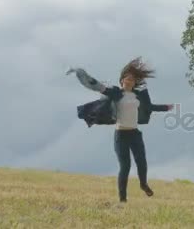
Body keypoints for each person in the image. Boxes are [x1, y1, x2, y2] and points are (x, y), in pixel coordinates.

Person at [67, 57, 173, 203]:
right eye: (126, 79)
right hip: (121, 135)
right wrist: (79, 72)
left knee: (141, 162)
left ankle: (143, 184)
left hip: (135, 134)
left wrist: (166, 107)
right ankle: (123, 200)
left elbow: (150, 107)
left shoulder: (138, 96)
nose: (129, 81)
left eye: (132, 79)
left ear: (135, 82)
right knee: (125, 166)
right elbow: (95, 85)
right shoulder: (116, 93)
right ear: (122, 80)